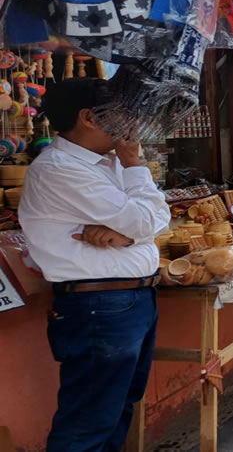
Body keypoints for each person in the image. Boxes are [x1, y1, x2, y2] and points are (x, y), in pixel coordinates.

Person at [19, 78, 171, 450]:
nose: (130, 122)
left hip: (126, 302)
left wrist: (129, 235)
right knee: (89, 420)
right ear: (88, 117)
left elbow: (157, 220)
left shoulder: (106, 164)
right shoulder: (61, 168)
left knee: (117, 408)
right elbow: (145, 220)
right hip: (99, 307)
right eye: (121, 113)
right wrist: (135, 169)